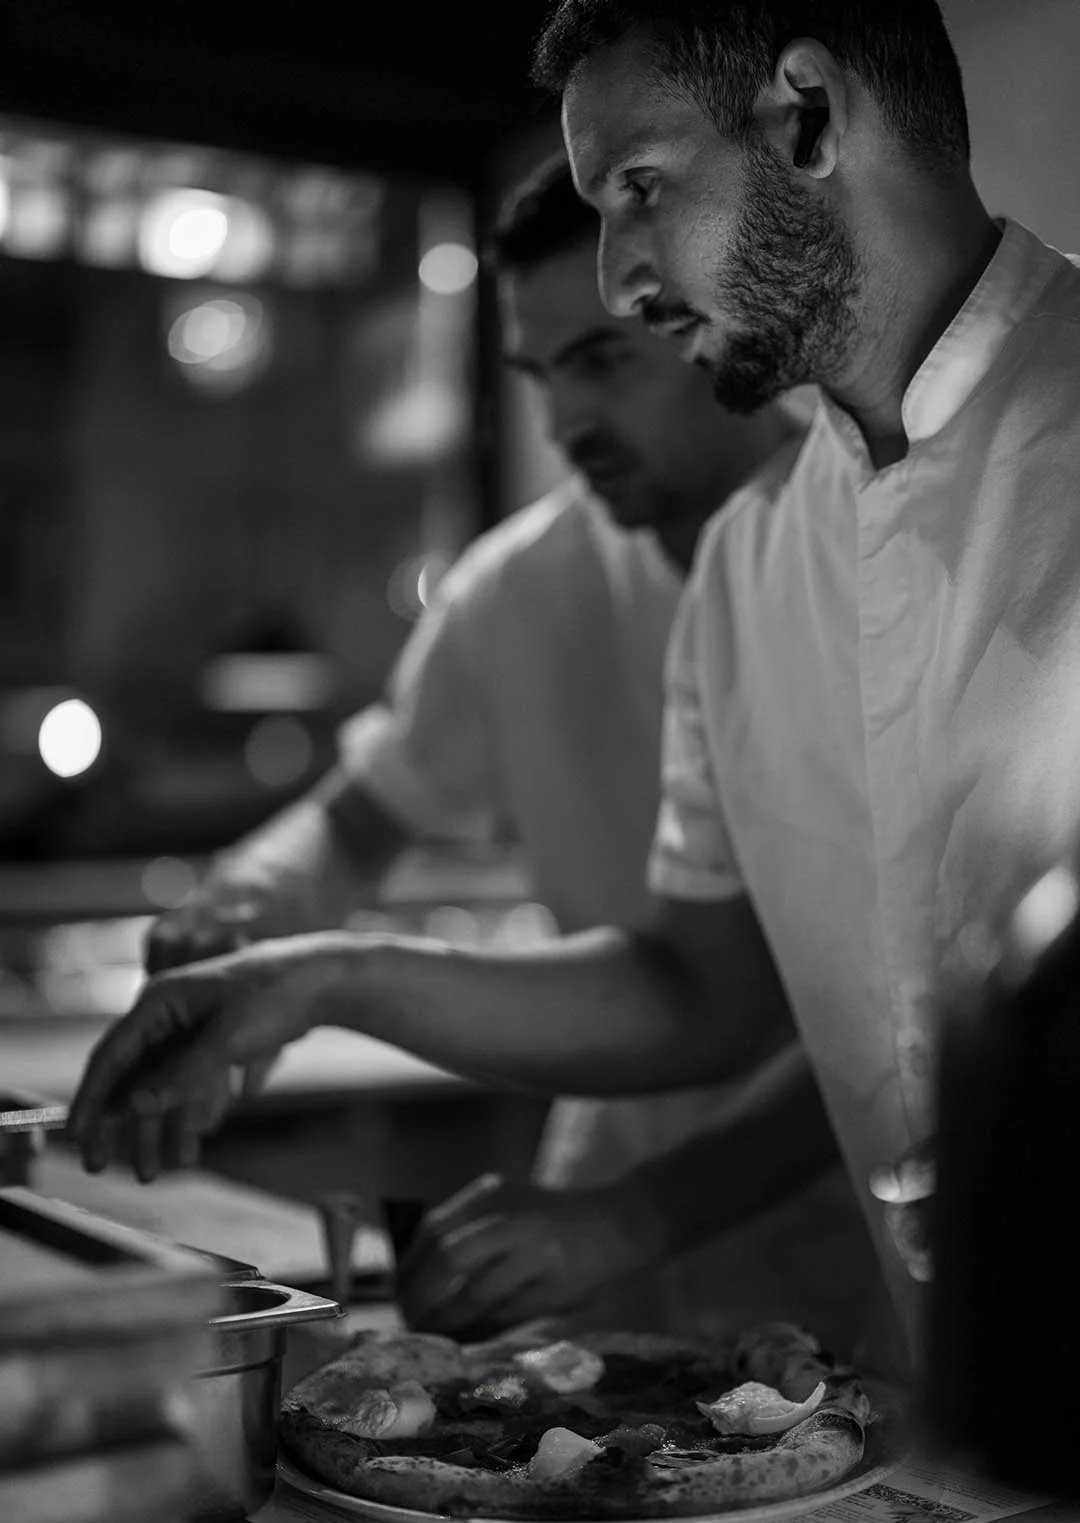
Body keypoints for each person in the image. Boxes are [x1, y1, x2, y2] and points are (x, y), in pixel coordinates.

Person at [73, 0, 1076, 1363]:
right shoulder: (750, 569)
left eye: (640, 191)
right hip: (986, 1396)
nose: (617, 278)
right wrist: (317, 975)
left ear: (808, 117)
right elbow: (697, 988)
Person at [104, 156, 876, 1347]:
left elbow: (903, 1021)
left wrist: (639, 1214)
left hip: (848, 1208)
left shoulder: (859, 552)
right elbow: (360, 819)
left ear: (711, 325)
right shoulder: (519, 588)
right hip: (595, 1191)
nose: (563, 423)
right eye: (537, 375)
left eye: (601, 361)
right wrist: (255, 906)